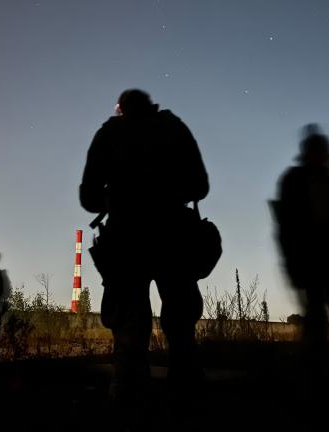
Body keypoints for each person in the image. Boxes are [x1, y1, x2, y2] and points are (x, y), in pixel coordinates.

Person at [80, 89, 210, 403]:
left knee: (128, 323)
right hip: (174, 237)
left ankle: (128, 394)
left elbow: (89, 198)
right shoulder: (173, 126)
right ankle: (186, 394)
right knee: (180, 324)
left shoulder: (109, 132)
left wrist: (119, 197)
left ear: (121, 109)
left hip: (127, 239)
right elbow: (201, 186)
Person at [275, 124, 329, 375]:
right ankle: (314, 369)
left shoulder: (304, 179)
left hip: (317, 259)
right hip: (309, 260)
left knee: (317, 315)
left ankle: (312, 368)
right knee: (316, 316)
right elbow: (287, 226)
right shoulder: (306, 180)